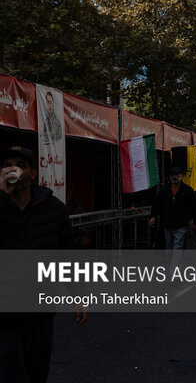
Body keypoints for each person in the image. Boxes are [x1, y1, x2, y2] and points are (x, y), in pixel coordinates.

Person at [0, 146, 88, 383]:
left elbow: (67, 253)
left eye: (20, 165)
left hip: (39, 308)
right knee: (8, 372)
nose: (13, 169)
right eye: (7, 164)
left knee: (36, 371)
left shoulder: (53, 209)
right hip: (5, 311)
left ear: (32, 174)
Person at [149, 166, 196, 251]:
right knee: (169, 248)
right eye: (172, 175)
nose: (174, 177)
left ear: (180, 175)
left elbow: (195, 207)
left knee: (177, 248)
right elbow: (157, 203)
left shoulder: (188, 191)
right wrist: (153, 215)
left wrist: (195, 222)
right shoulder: (165, 190)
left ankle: (173, 264)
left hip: (181, 225)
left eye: (176, 175)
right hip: (167, 225)